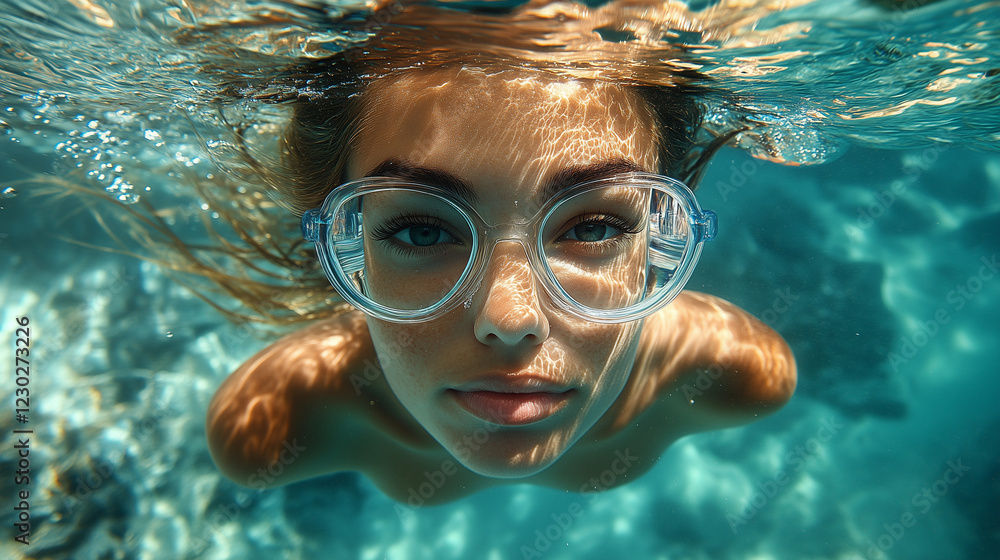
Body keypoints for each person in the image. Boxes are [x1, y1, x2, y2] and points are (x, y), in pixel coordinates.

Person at [205, 59, 796, 504]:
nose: (511, 321)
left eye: (592, 228)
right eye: (422, 233)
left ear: (660, 240)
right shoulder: (279, 420)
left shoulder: (733, 371)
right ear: (344, 247)